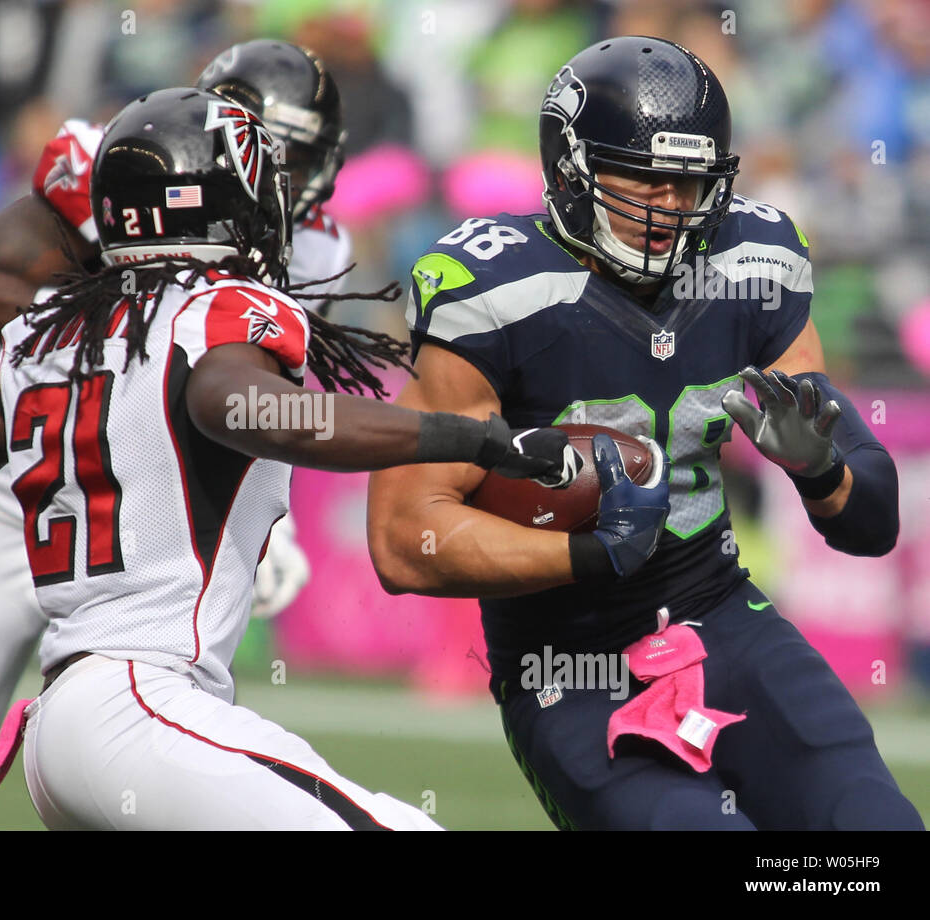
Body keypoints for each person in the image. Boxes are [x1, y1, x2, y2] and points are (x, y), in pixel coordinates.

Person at [0, 86, 579, 830]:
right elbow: (237, 407)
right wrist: (470, 438)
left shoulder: (51, 332)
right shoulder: (214, 306)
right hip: (139, 704)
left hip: (68, 722)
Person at [367, 36, 924, 831]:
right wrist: (586, 552)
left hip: (723, 613)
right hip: (568, 656)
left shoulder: (752, 263)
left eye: (688, 182)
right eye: (642, 175)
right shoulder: (493, 290)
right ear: (569, 166)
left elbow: (871, 527)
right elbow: (402, 537)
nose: (667, 205)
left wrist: (821, 471)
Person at [0, 40, 355, 812]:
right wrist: (107, 343)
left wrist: (270, 523)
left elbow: (248, 393)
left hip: (154, 495)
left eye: (293, 153)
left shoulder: (320, 243)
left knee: (153, 735)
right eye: (260, 144)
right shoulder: (122, 171)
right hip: (25, 480)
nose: (274, 172)